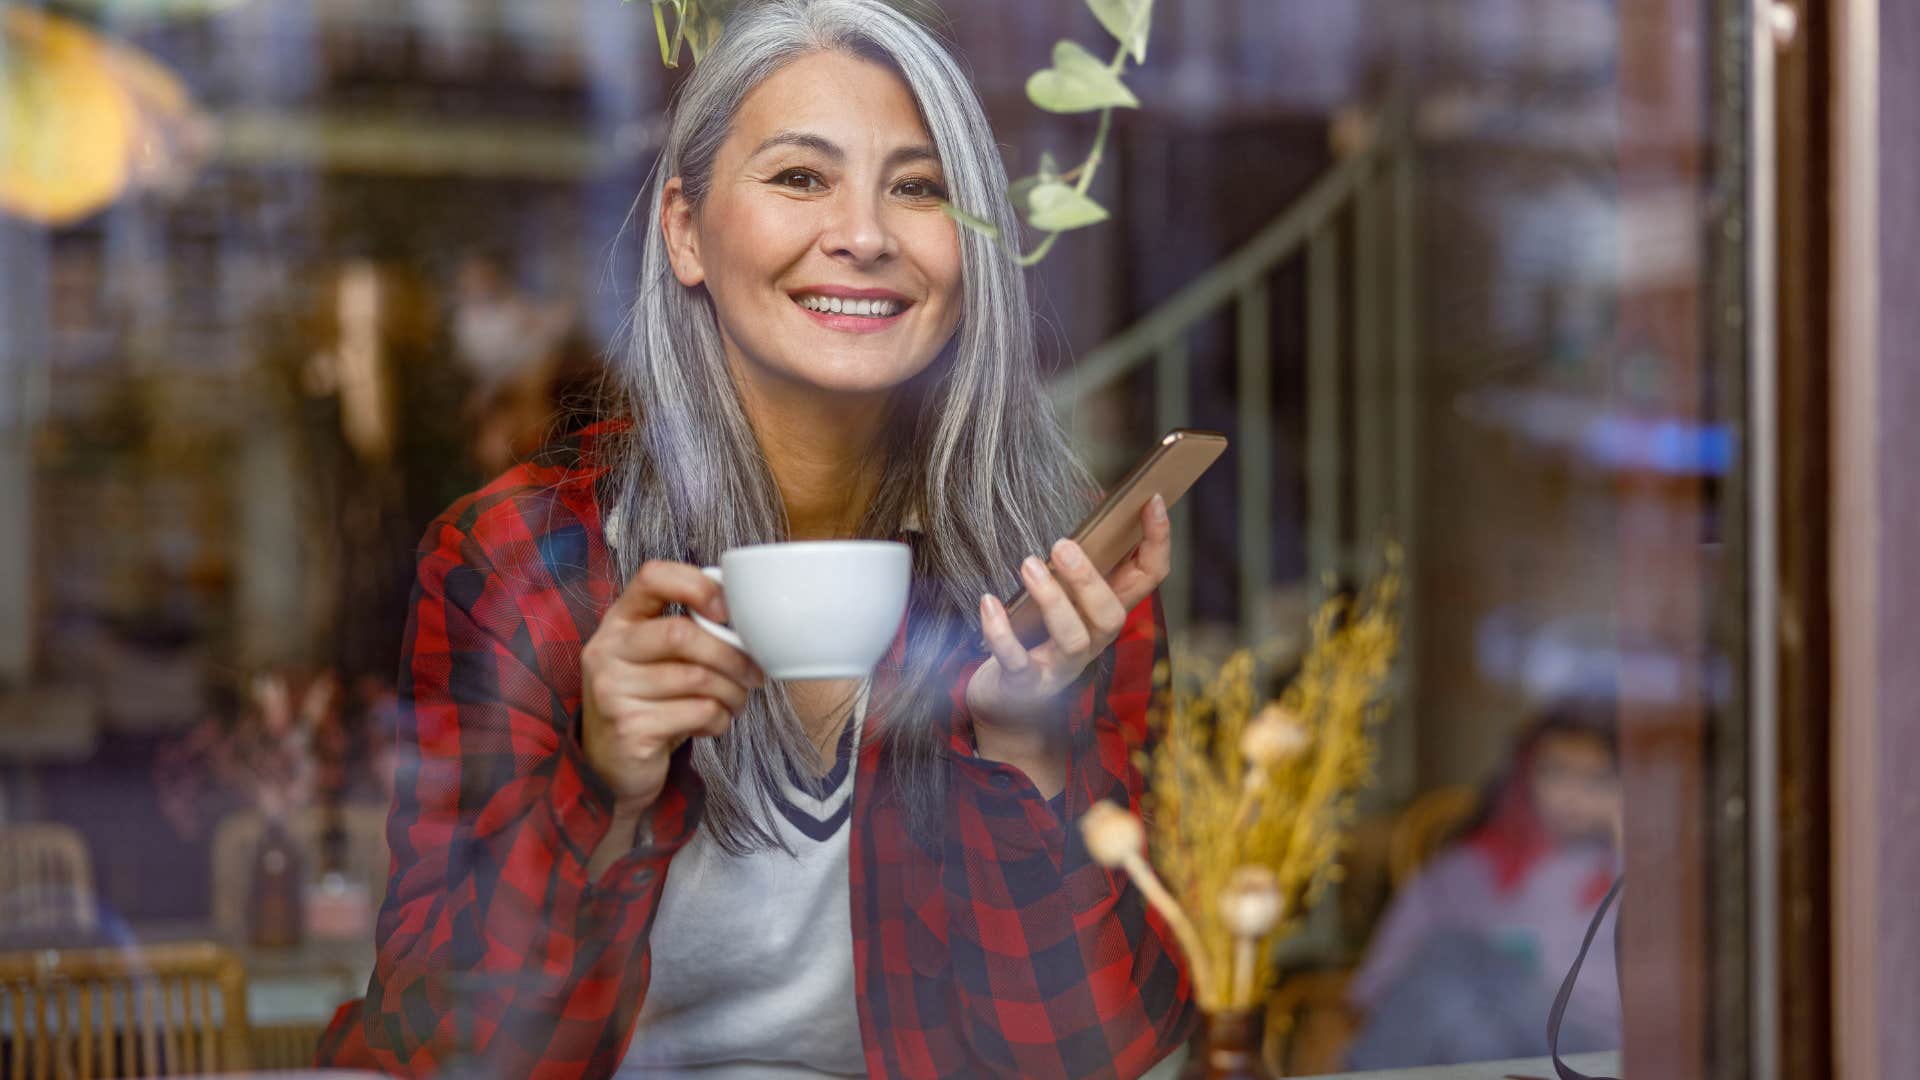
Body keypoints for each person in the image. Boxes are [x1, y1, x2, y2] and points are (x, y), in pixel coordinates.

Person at [315, 2, 1196, 1077]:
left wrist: (1026, 751)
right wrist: (600, 782)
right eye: (798, 178)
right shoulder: (520, 564)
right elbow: (439, 1046)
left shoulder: (1050, 589)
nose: (865, 236)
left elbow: (1100, 1054)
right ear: (685, 232)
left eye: (918, 188)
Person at [1343, 699, 1623, 1069]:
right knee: (1467, 1022)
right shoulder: (1462, 872)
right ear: (1524, 777)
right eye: (1556, 773)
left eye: (1596, 780)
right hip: (1481, 1049)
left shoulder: (1631, 873)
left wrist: (1627, 833)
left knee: (1452, 954)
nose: (1572, 795)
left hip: (1588, 1052)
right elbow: (1376, 984)